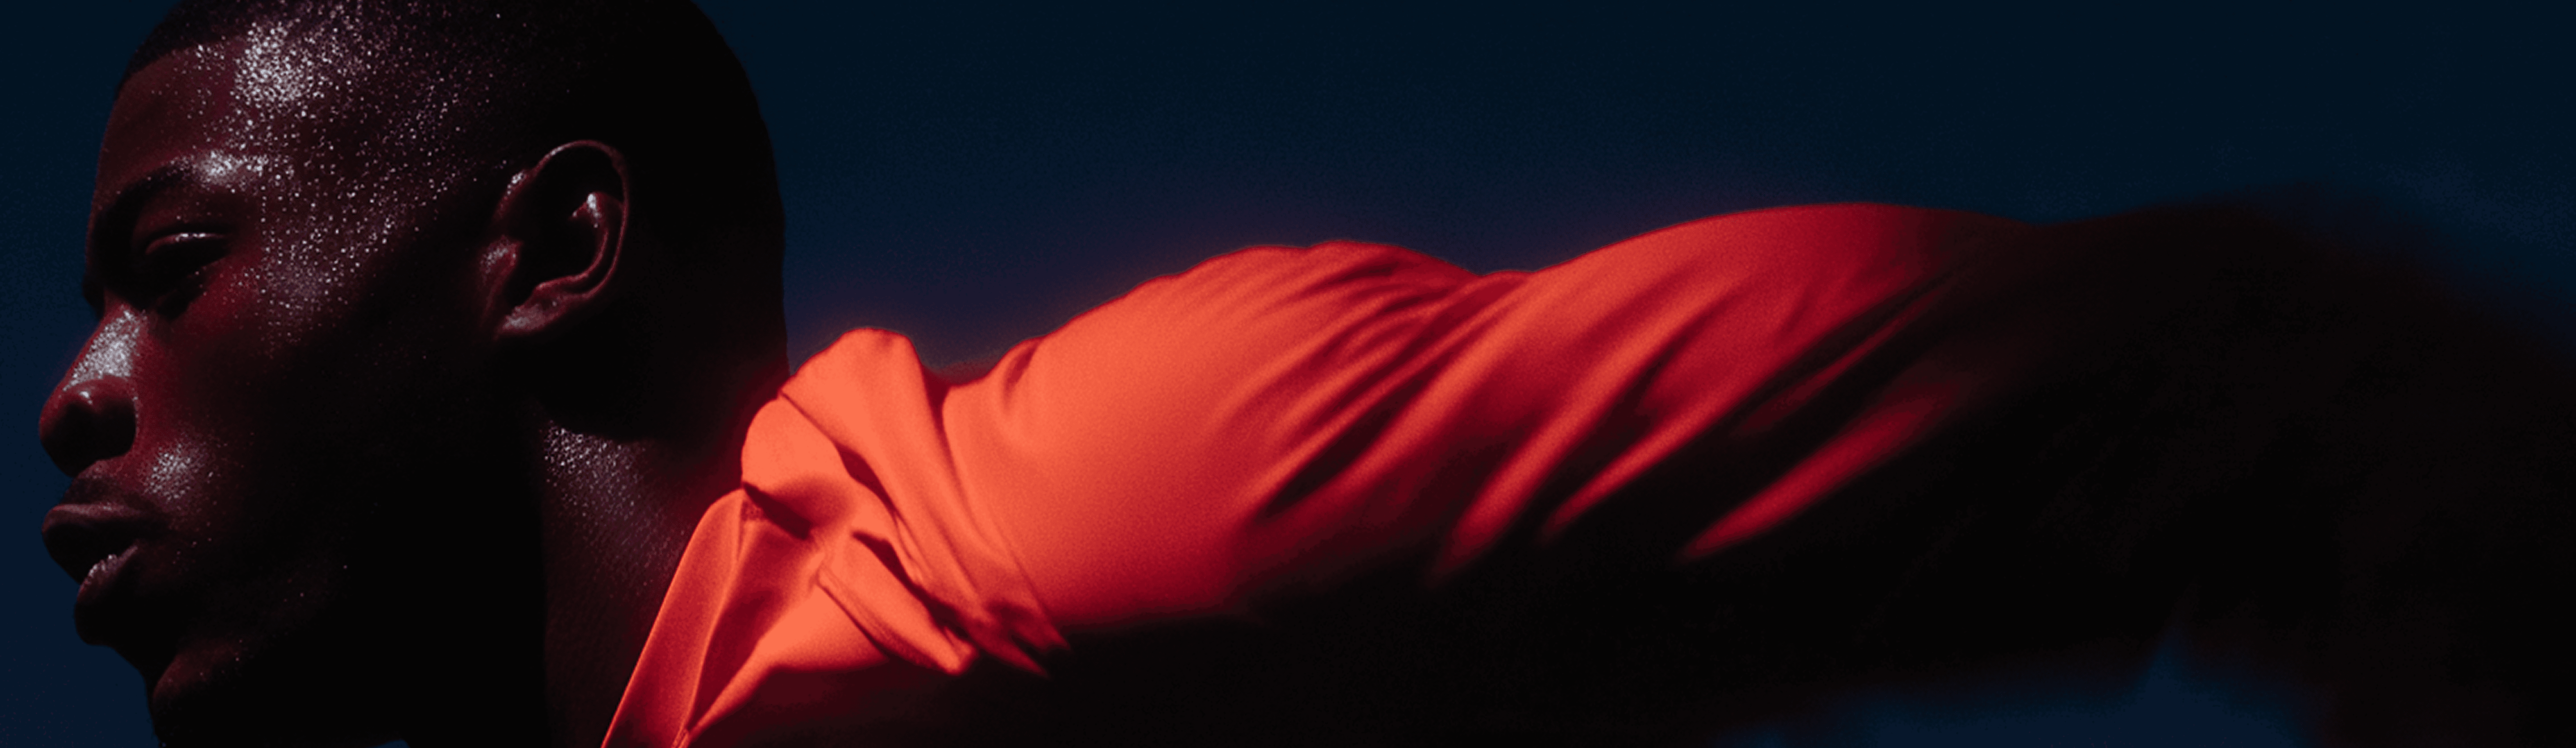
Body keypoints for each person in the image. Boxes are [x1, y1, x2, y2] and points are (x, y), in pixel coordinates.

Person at [34, 1, 2574, 747]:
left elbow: (2245, 376)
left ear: (551, 254)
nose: (72, 388)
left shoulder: (1056, 523)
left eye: (176, 265)